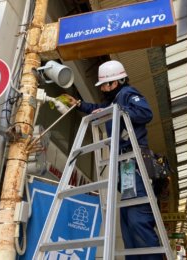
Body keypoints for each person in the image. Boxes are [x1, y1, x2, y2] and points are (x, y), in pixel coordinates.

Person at [63, 60, 162, 260]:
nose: (104, 89)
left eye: (106, 84)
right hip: (125, 164)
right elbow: (99, 107)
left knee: (137, 217)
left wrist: (118, 112)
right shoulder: (114, 100)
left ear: (117, 82)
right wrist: (80, 105)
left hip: (134, 162)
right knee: (126, 218)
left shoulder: (127, 94)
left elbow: (146, 113)